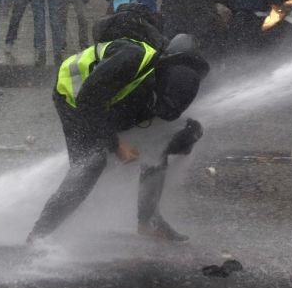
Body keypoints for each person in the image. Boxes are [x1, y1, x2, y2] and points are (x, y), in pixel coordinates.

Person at [28, 33, 210, 242]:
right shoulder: (132, 59)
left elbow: (164, 121)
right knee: (91, 164)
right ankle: (38, 236)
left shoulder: (163, 86)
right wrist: (116, 145)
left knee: (157, 148)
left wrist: (185, 139)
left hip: (108, 101)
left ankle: (149, 223)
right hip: (73, 97)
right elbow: (88, 101)